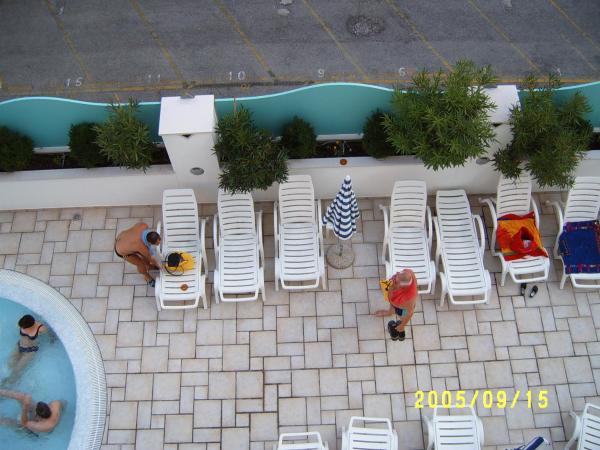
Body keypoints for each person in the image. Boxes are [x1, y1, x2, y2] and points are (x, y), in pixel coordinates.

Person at [2, 315, 48, 386]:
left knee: (18, 369)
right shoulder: (22, 322)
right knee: (10, 364)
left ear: (31, 325)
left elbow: (49, 334)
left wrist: (52, 339)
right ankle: (5, 379)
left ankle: (8, 384)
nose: (22, 328)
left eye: (24, 327)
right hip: (19, 346)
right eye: (22, 327)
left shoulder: (41, 328)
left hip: (29, 351)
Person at [375, 269, 418, 341]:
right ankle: (389, 312)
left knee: (402, 316)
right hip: (395, 302)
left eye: (396, 281)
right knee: (392, 306)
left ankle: (400, 331)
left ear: (402, 286)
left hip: (402, 309)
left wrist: (402, 325)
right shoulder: (408, 273)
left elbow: (410, 313)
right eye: (396, 275)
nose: (394, 280)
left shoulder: (409, 299)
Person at [114, 223, 161, 287]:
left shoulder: (144, 225)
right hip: (121, 250)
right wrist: (160, 266)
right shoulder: (141, 246)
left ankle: (149, 267)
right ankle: (147, 277)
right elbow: (151, 258)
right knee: (140, 264)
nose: (158, 244)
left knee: (145, 257)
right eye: (156, 244)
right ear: (149, 243)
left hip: (122, 237)